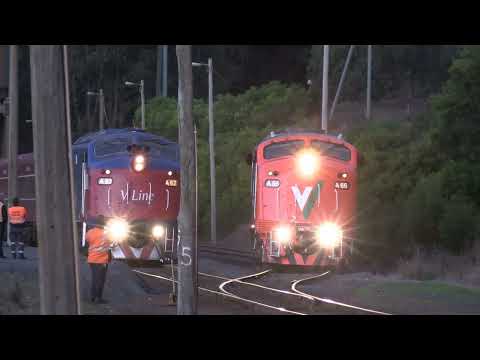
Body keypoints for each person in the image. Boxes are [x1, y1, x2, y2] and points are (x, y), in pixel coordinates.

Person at [86, 215, 112, 304]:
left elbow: (88, 241)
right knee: (100, 280)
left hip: (92, 259)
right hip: (101, 260)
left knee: (94, 279)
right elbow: (111, 244)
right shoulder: (106, 233)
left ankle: (93, 297)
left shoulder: (90, 232)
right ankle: (98, 298)